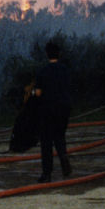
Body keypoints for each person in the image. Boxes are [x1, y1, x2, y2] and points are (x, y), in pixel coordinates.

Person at [30, 40, 73, 182]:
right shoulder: (65, 70)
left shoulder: (43, 71)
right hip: (64, 109)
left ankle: (47, 174)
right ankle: (65, 162)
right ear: (59, 54)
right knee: (60, 137)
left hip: (47, 110)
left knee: (46, 142)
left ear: (47, 54)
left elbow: (38, 93)